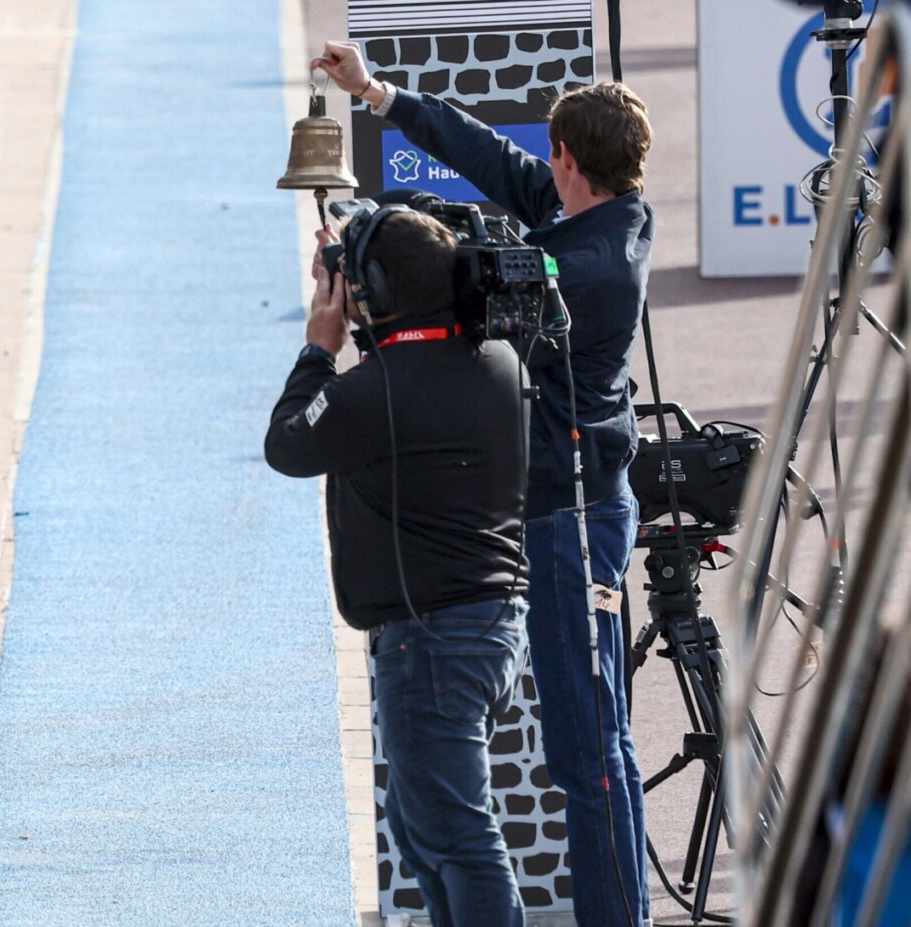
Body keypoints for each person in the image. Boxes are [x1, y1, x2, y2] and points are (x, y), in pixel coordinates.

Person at [314, 41, 656, 926]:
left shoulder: (591, 265)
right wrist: (376, 94)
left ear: (569, 160)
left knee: (589, 749)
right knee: (585, 746)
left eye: (548, 155)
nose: (537, 168)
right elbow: (484, 154)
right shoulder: (589, 213)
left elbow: (466, 294)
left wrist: (383, 244)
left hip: (570, 520)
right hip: (545, 512)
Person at [266, 206, 530, 926]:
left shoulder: (369, 392)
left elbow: (288, 445)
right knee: (425, 832)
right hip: (484, 628)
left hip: (432, 643)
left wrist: (320, 348)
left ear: (373, 293)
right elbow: (406, 361)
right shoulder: (499, 360)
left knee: (457, 837)